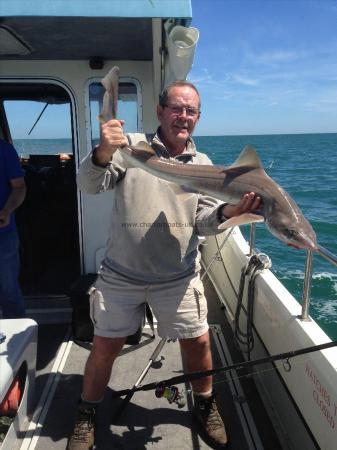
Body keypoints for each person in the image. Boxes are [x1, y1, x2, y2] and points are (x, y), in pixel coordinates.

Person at [68, 81, 261, 450]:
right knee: (105, 346)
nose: (183, 116)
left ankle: (204, 404)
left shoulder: (204, 166)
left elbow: (203, 220)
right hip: (121, 274)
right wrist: (103, 151)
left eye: (191, 111)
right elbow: (90, 185)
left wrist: (231, 212)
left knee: (198, 340)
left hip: (177, 275)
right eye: (176, 108)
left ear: (198, 118)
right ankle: (86, 412)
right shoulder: (132, 147)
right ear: (160, 111)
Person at [0, 139, 26, 318]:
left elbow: (19, 187)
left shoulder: (4, 150)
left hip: (3, 235)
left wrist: (7, 211)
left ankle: (17, 343)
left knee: (8, 291)